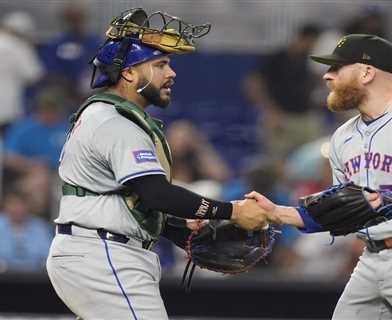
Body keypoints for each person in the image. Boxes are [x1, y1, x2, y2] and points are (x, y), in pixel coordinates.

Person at [46, 8, 271, 320]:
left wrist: (177, 229)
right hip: (104, 253)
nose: (172, 73)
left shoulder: (107, 115)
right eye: (160, 64)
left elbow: (130, 200)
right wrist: (231, 211)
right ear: (128, 72)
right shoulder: (115, 122)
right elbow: (156, 193)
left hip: (99, 250)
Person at [247, 34, 392, 319]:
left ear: (367, 72)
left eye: (336, 68)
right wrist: (277, 213)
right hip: (371, 258)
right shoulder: (342, 137)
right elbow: (342, 212)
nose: (327, 76)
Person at [244, 23, 323, 159]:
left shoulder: (308, 61)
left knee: (312, 158)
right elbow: (252, 84)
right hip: (280, 117)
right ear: (303, 38)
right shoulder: (276, 58)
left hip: (305, 118)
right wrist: (270, 111)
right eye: (312, 42)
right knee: (278, 159)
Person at [0, 188, 52, 272]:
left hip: (35, 279)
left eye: (21, 204)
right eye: (13, 204)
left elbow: (48, 258)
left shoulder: (41, 228)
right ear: (5, 205)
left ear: (28, 206)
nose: (17, 208)